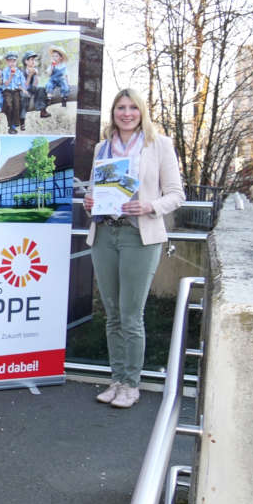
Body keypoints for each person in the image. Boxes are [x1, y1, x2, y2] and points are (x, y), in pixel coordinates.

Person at [83, 88, 185, 408]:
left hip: (138, 237)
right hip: (104, 235)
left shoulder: (159, 146)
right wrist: (90, 202)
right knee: (112, 314)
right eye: (120, 108)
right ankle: (116, 379)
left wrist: (149, 206)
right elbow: (95, 192)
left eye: (132, 108)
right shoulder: (103, 148)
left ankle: (131, 383)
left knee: (131, 315)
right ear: (113, 113)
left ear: (142, 111)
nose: (126, 113)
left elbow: (176, 195)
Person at [20, 50, 50, 131]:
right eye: (31, 60)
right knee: (24, 98)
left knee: (41, 89)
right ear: (26, 61)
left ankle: (42, 111)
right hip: (24, 89)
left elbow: (36, 84)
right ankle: (22, 121)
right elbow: (25, 86)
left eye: (34, 60)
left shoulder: (34, 69)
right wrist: (29, 76)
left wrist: (36, 75)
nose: (33, 62)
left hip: (32, 88)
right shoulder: (22, 72)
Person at [1, 51, 25, 134]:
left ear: (16, 61)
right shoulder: (5, 71)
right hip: (7, 91)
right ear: (7, 62)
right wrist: (11, 76)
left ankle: (15, 125)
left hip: (15, 91)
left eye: (14, 61)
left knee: (17, 105)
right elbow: (5, 83)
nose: (12, 63)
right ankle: (10, 125)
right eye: (10, 61)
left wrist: (23, 89)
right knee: (9, 105)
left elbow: (22, 84)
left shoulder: (19, 72)